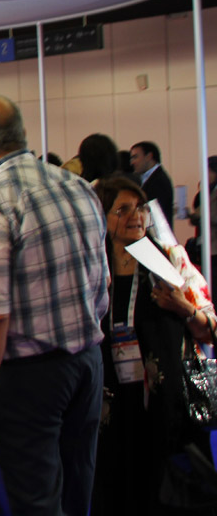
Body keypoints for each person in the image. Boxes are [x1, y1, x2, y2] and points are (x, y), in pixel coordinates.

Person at [0, 95, 109, 516]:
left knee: (29, 501)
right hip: (86, 363)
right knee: (76, 494)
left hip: (27, 378)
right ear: (21, 135)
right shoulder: (75, 186)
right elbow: (100, 283)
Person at [91, 177, 215, 516]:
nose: (136, 216)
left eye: (141, 208)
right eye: (124, 209)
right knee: (112, 489)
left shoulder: (169, 260)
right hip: (107, 401)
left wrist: (182, 307)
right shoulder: (92, 266)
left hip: (161, 404)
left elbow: (210, 329)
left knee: (158, 493)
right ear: (102, 217)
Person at [130, 141, 175, 227]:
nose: (132, 162)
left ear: (149, 156)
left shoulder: (159, 181)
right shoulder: (146, 179)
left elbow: (153, 215)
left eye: (135, 157)